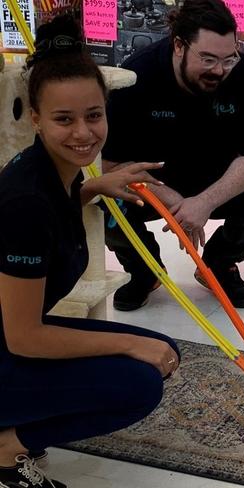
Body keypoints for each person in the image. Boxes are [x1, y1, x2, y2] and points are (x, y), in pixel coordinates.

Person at [0, 16, 180, 488]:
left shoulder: (53, 170)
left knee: (163, 353)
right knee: (138, 382)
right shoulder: (26, 199)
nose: (83, 132)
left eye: (94, 115)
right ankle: (5, 450)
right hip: (10, 341)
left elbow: (50, 216)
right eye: (64, 119)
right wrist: (127, 340)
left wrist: (96, 186)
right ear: (35, 118)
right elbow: (24, 338)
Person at [101, 0, 244, 311]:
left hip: (217, 178)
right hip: (151, 183)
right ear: (178, 46)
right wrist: (169, 198)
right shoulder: (137, 75)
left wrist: (204, 202)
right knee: (102, 204)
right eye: (209, 59)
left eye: (228, 59)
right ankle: (144, 271)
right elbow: (110, 166)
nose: (219, 71)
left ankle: (218, 263)